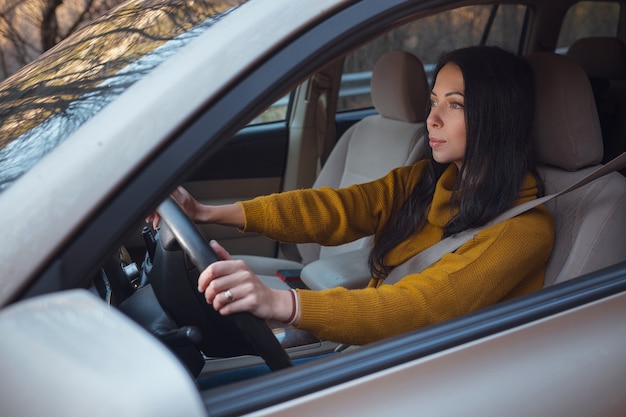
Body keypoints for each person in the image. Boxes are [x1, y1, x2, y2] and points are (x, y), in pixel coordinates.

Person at [154, 45, 554, 346]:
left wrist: (283, 304)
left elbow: (420, 307)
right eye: (434, 102)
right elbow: (338, 208)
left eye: (455, 105)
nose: (432, 118)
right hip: (382, 349)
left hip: (427, 372)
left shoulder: (524, 231)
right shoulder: (428, 180)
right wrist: (206, 212)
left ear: (497, 118)